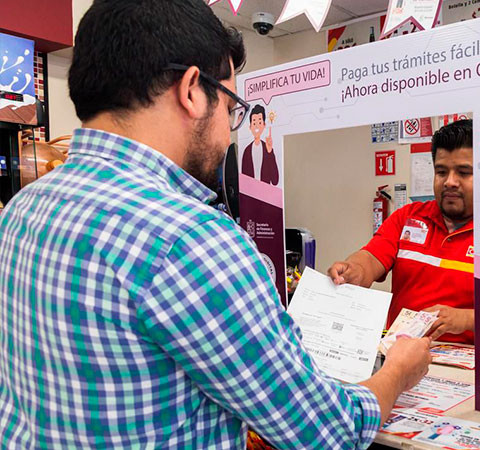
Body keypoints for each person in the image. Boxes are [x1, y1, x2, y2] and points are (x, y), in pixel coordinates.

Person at [0, 1, 430, 448]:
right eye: (230, 108)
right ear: (191, 90)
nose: (230, 133)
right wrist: (398, 371)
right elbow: (326, 432)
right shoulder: (191, 240)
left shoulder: (22, 210)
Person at [328, 120, 475, 344]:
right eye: (441, 171)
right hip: (399, 358)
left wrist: (466, 319)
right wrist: (354, 270)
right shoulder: (407, 217)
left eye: (464, 173)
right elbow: (371, 257)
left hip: (465, 368)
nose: (450, 182)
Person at [241, 104, 279, 185]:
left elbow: (275, 181)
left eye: (259, 122)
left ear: (264, 125)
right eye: (254, 123)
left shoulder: (267, 149)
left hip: (266, 195)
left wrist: (270, 152)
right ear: (250, 126)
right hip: (251, 195)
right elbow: (245, 183)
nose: (257, 126)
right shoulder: (247, 151)